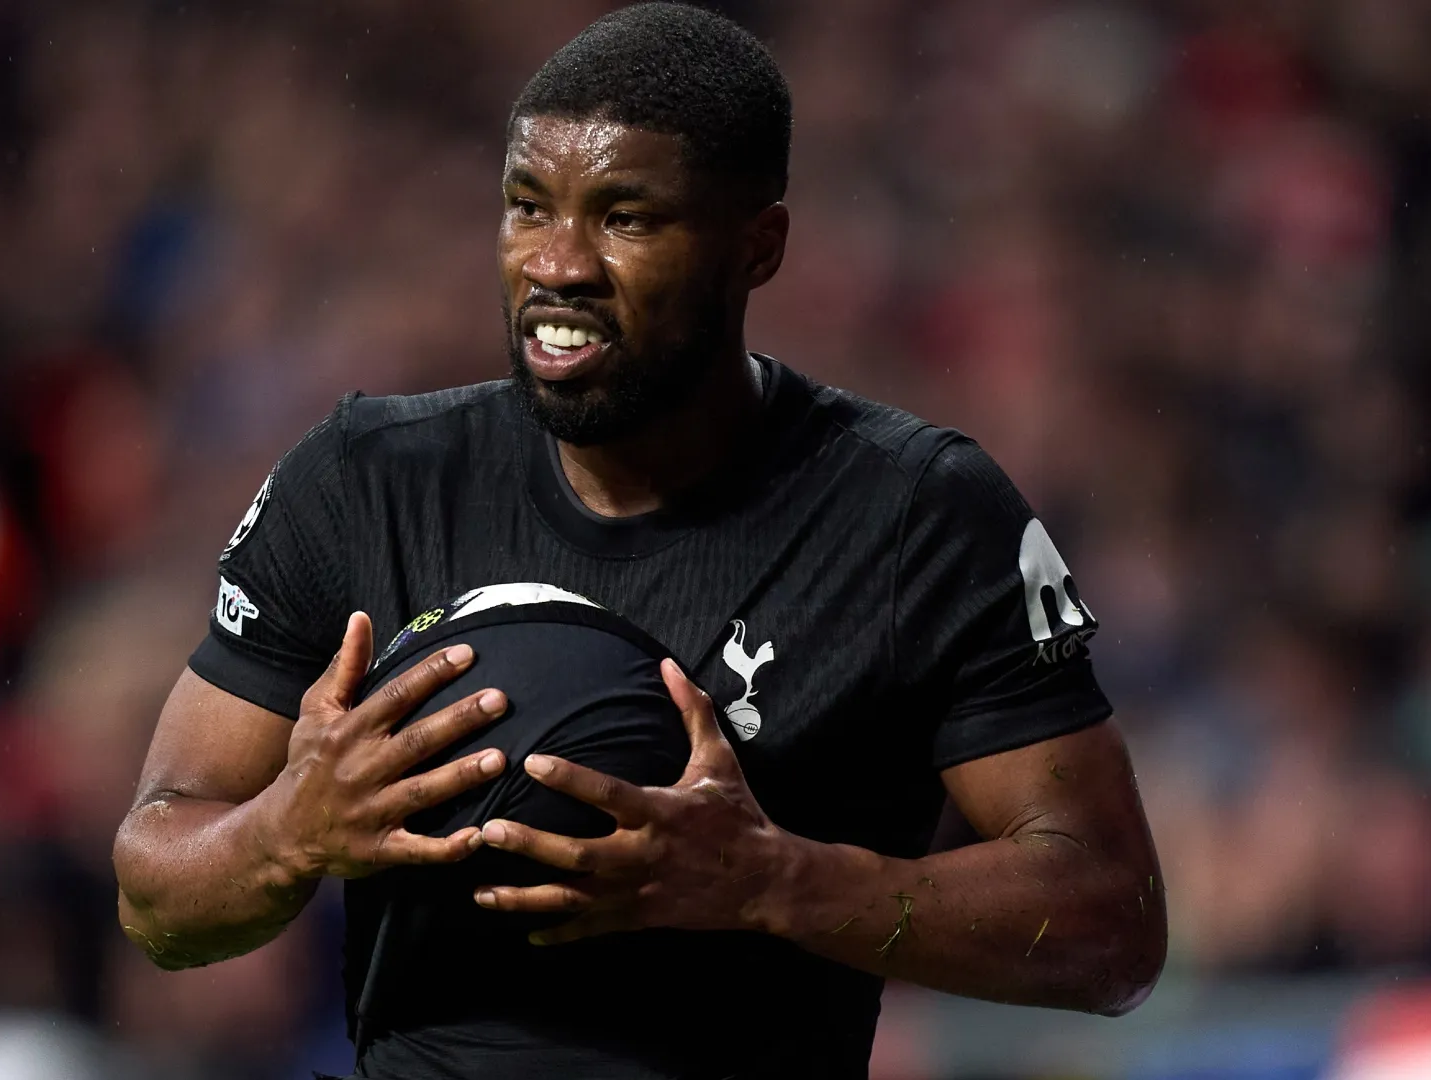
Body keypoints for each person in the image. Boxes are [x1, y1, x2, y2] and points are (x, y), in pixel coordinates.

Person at [112, 4, 1166, 1077]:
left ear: (757, 247)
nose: (557, 263)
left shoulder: (917, 517)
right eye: (528, 206)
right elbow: (154, 896)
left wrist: (777, 882)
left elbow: (1113, 927)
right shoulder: (362, 486)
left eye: (626, 218)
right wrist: (286, 832)